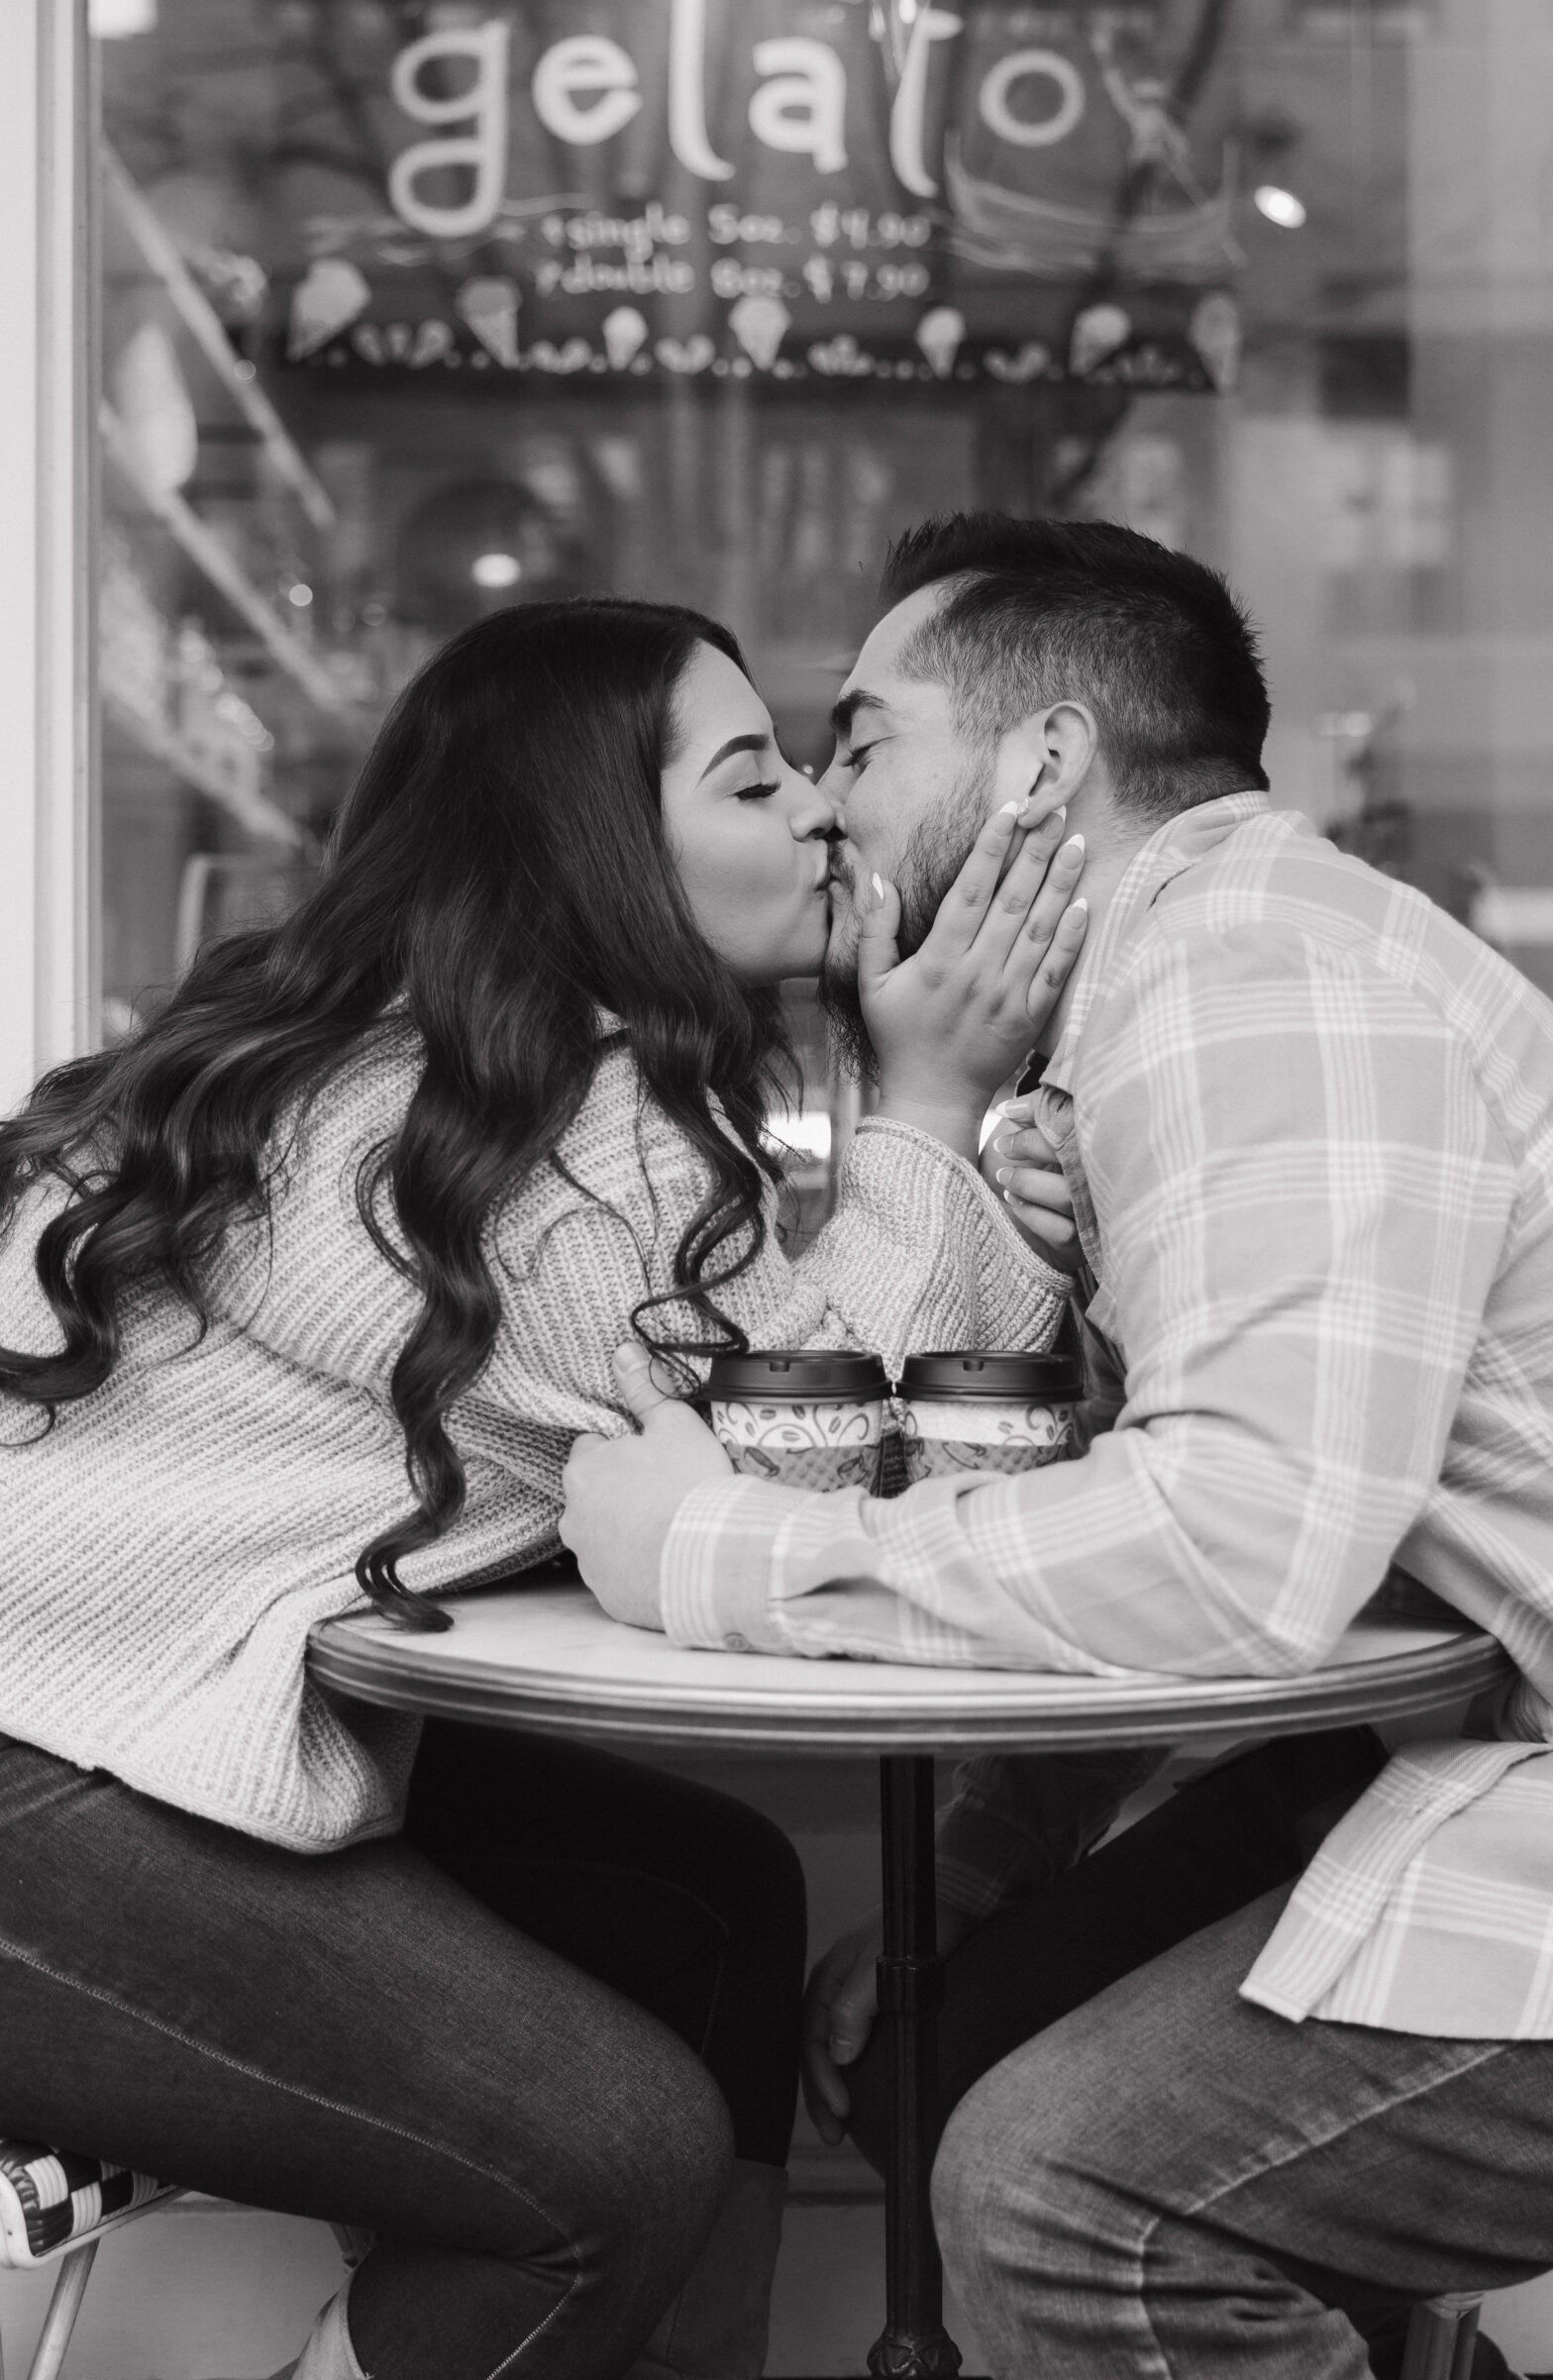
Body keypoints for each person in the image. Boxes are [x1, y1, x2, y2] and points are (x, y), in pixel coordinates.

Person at [565, 514, 1553, 2380]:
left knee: (1057, 2196)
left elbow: (1245, 1552)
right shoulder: (1199, 989)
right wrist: (996, 1867)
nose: (827, 807)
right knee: (948, 2049)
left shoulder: (1250, 982)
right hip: (1539, 1738)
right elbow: (1277, 1530)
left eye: (861, 739)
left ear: (1044, 764)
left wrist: (717, 1547)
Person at [0, 596, 1085, 2380]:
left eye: (815, 766)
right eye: (754, 781)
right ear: (596, 849)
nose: (820, 810)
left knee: (712, 1898)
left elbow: (802, 1407)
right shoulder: (540, 1134)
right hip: (43, 1784)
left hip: (97, 1733)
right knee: (616, 2165)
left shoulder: (464, 1067)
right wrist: (933, 1103)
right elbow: (815, 1451)